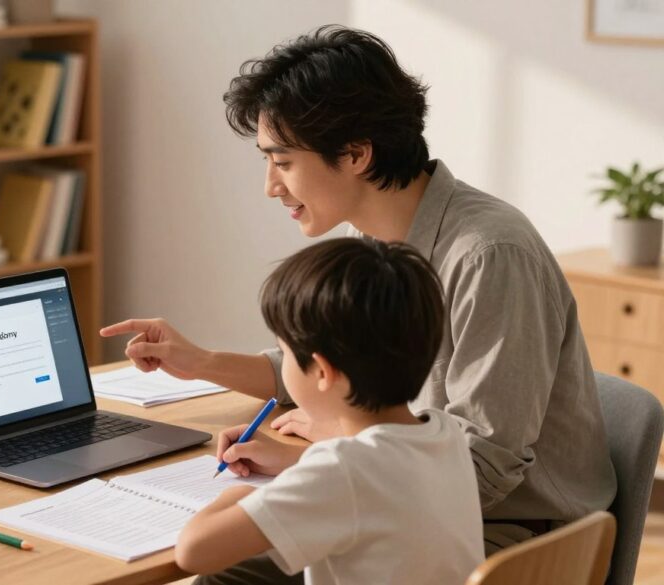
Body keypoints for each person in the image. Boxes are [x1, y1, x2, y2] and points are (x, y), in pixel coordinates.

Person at [100, 25, 616, 576]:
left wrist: (321, 463)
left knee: (229, 566)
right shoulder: (371, 237)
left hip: (506, 534)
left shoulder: (490, 255)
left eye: (283, 161)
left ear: (354, 155)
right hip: (411, 495)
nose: (270, 186)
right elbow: (324, 371)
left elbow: (483, 469)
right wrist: (201, 363)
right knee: (229, 571)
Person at [174, 238, 484, 585]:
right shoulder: (444, 433)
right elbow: (378, 475)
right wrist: (297, 460)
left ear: (322, 371)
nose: (283, 364)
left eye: (284, 352)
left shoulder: (341, 472)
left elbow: (192, 551)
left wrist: (241, 497)